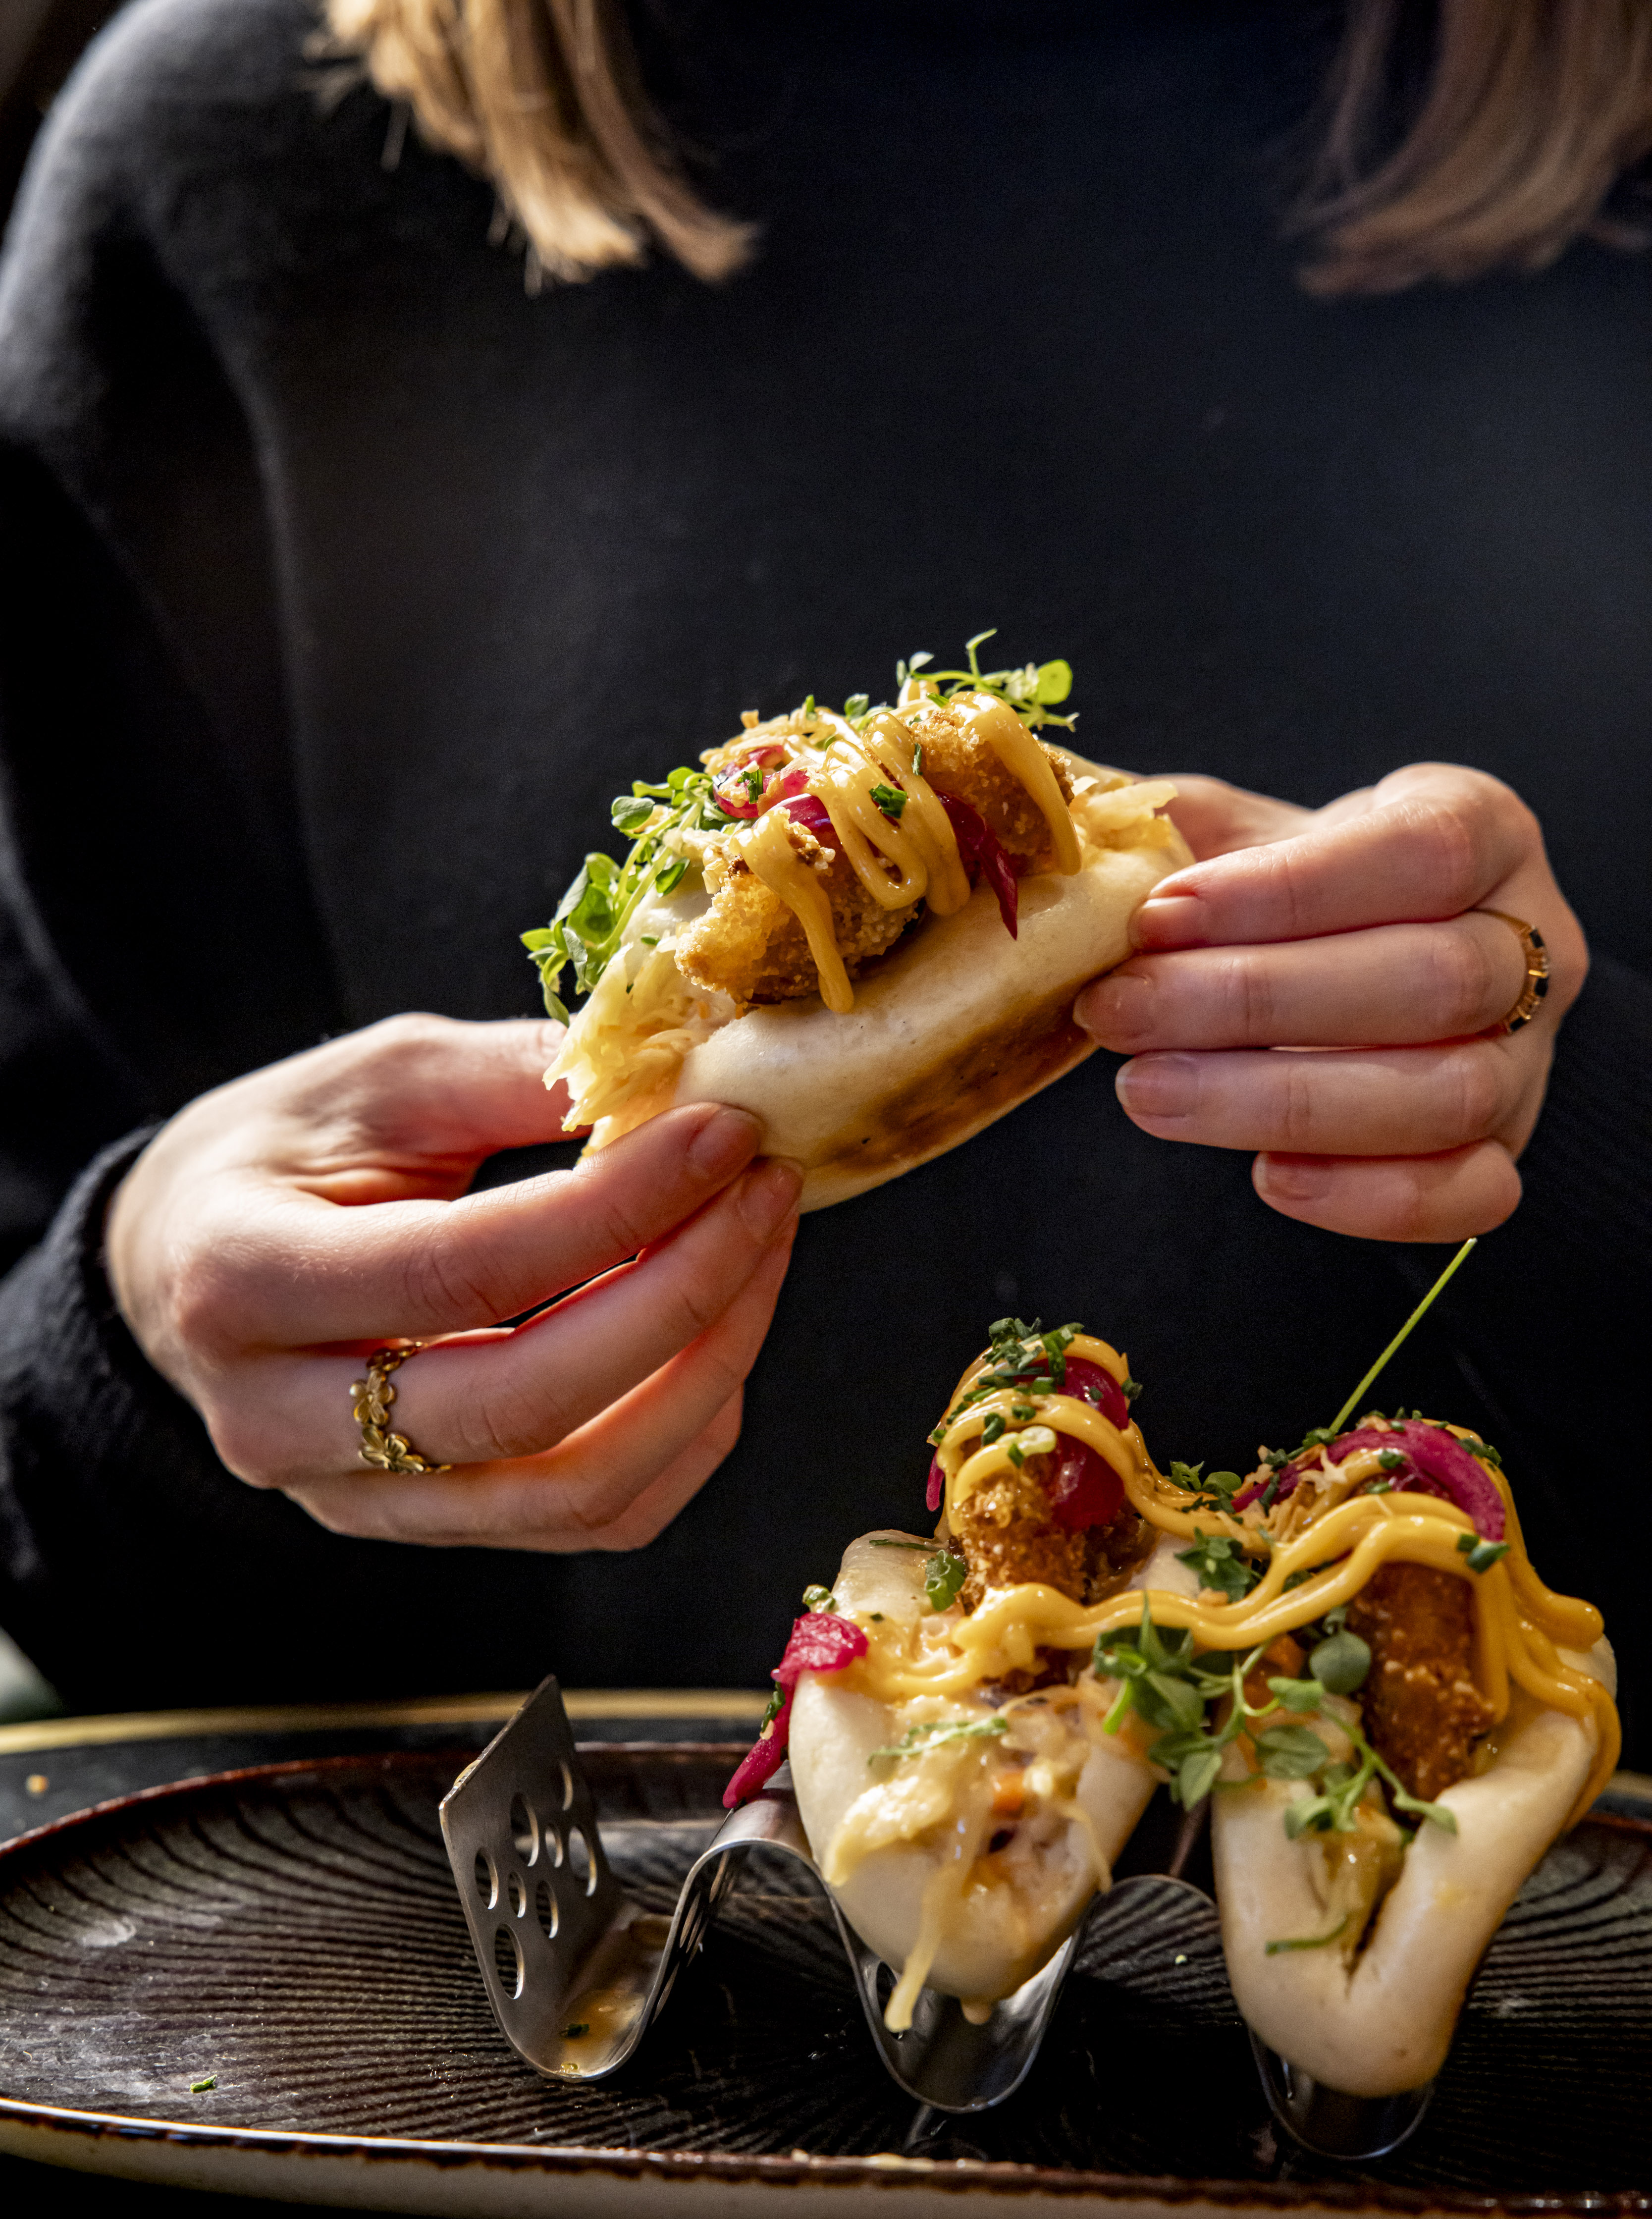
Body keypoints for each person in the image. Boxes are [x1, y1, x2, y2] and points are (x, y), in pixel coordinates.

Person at [0, 0, 1646, 1748]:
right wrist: (161, 1340)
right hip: (526, 1924)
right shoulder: (235, 146)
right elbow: (60, 1566)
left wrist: (1586, 1124)